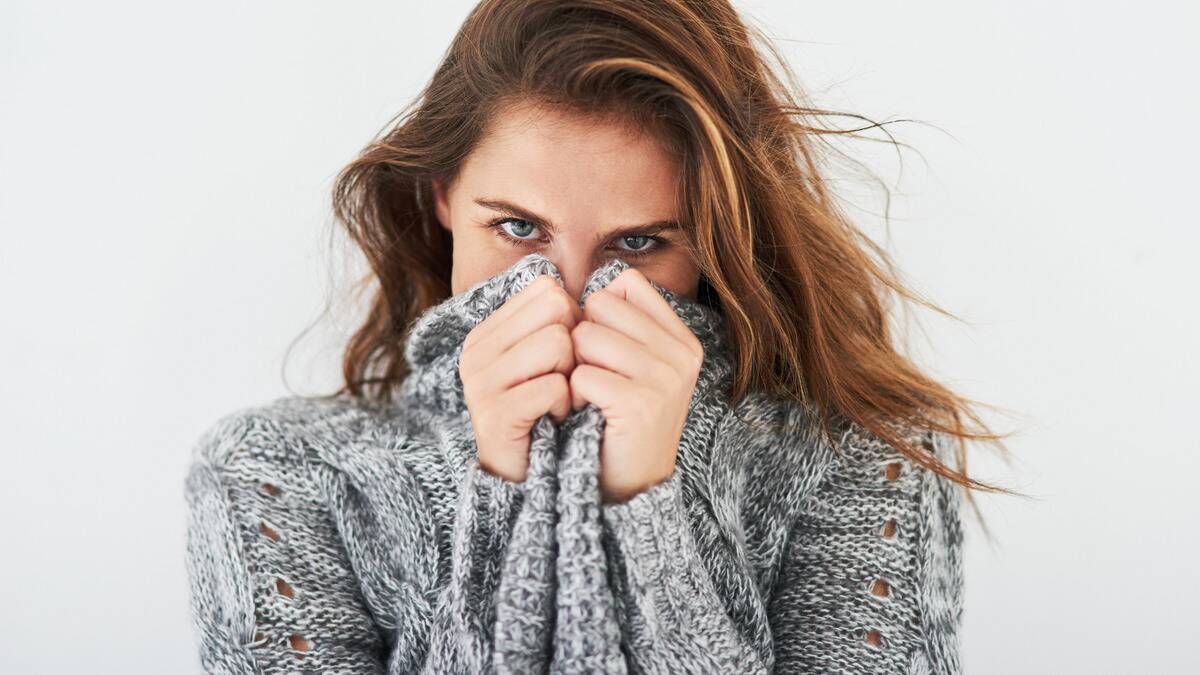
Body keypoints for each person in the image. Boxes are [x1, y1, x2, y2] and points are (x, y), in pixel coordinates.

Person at [184, 0, 1015, 673]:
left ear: (717, 235)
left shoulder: (868, 461)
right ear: (441, 194)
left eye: (638, 244)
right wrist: (500, 485)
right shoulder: (277, 475)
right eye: (517, 227)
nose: (568, 297)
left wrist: (648, 502)